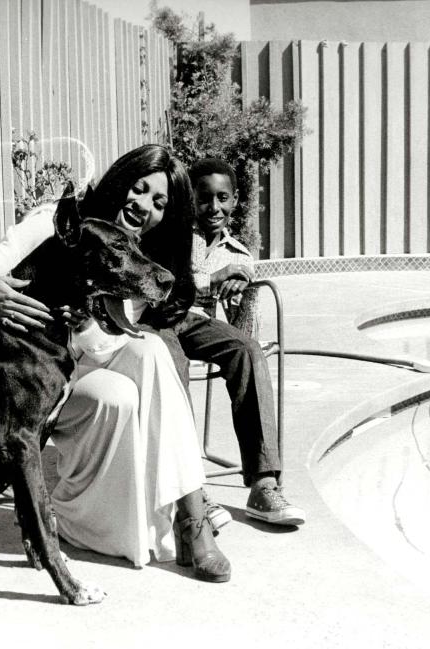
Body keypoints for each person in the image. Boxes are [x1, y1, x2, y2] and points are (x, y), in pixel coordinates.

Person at [0, 144, 229, 583]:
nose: (143, 207)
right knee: (119, 391)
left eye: (159, 204)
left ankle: (190, 517)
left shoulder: (134, 250)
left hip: (83, 363)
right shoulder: (56, 224)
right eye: (139, 188)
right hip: (30, 379)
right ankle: (159, 518)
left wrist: (87, 324)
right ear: (120, 180)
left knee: (150, 351)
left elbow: (109, 338)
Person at [153, 157, 306, 528]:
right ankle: (191, 488)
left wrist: (242, 294)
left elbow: (243, 321)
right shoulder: (168, 233)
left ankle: (263, 484)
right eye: (204, 199)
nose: (214, 207)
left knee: (247, 351)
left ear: (235, 200)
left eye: (223, 198)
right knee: (171, 361)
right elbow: (162, 283)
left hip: (199, 325)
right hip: (158, 319)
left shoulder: (239, 253)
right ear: (190, 200)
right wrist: (212, 279)